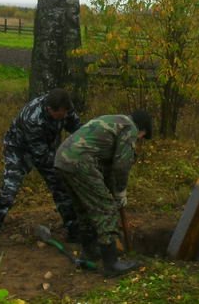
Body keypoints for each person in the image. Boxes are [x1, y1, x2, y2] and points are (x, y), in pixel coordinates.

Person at [0, 88, 81, 255]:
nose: (63, 117)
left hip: (45, 147)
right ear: (50, 110)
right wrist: (63, 163)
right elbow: (41, 156)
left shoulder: (65, 107)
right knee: (8, 192)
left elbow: (78, 129)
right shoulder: (33, 118)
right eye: (59, 115)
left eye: (65, 114)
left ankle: (75, 230)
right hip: (19, 150)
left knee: (61, 186)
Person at [54, 110, 152, 277]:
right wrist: (121, 192)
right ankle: (111, 264)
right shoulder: (130, 129)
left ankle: (90, 250)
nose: (138, 139)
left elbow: (107, 168)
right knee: (106, 208)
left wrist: (112, 189)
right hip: (80, 162)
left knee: (84, 208)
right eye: (141, 137)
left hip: (62, 160)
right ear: (142, 131)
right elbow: (121, 165)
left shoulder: (112, 120)